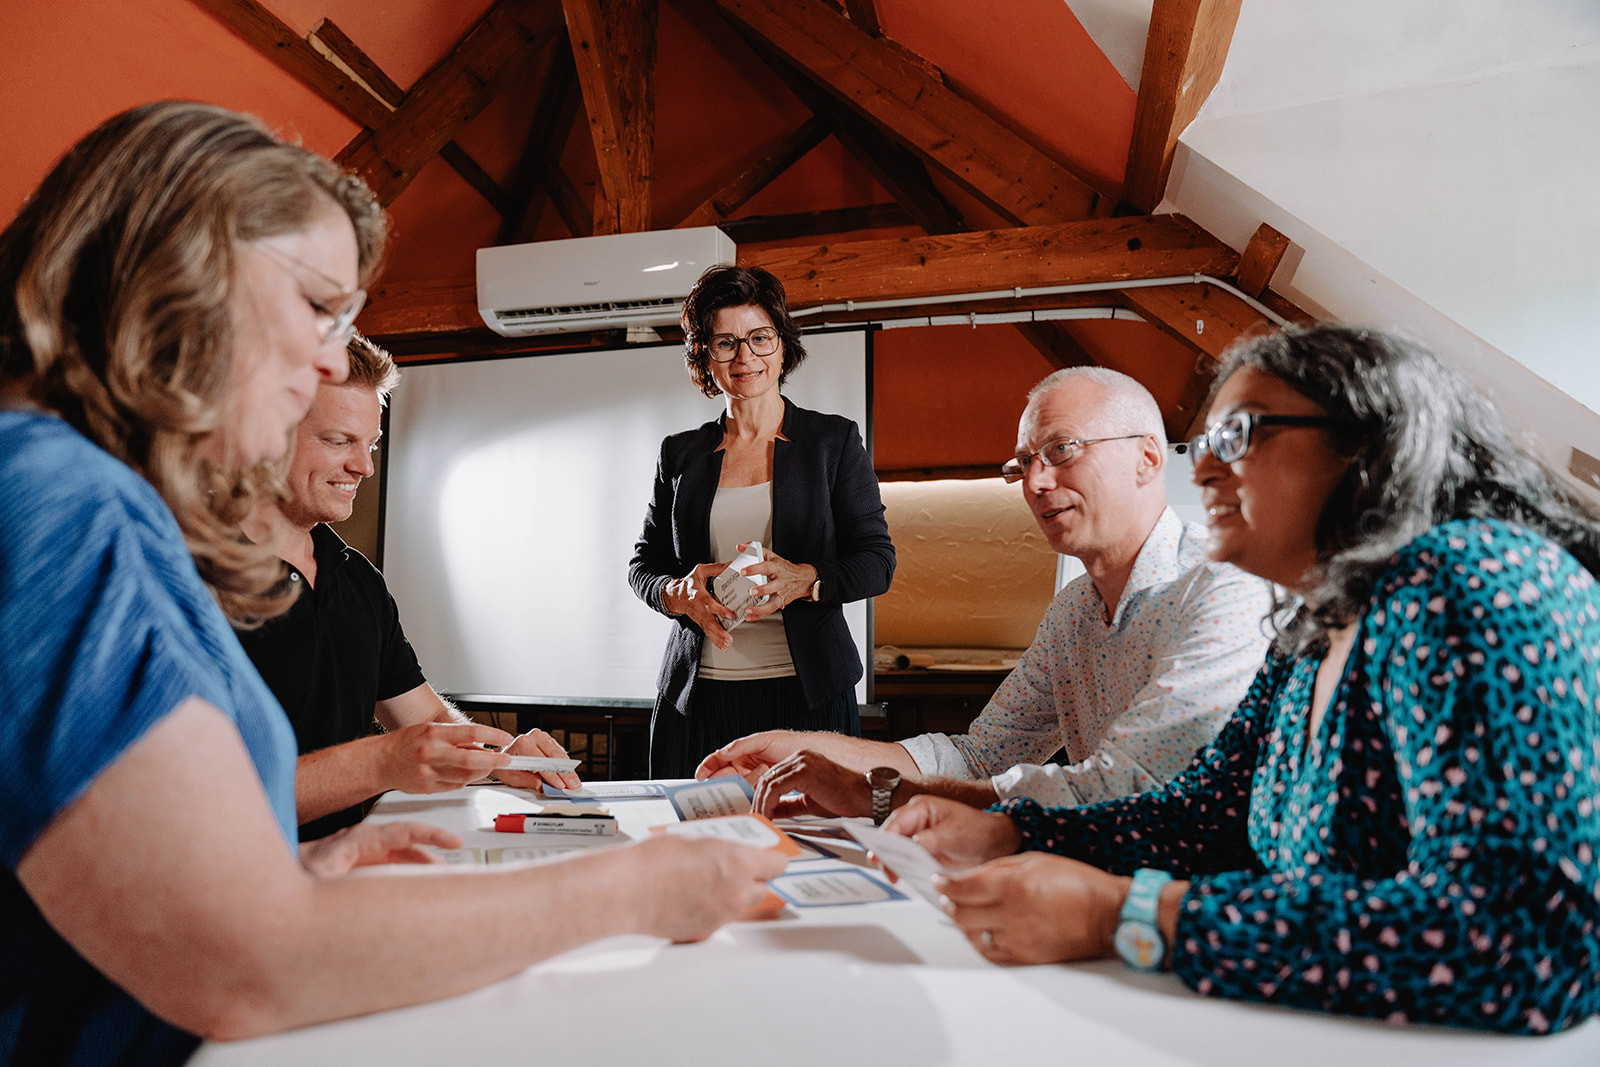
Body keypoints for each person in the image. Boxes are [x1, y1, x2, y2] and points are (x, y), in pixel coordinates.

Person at [0, 101, 784, 1065]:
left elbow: (110, 868)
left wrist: (296, 865)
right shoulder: (52, 499)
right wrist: (636, 891)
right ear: (184, 279)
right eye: (318, 310)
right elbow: (249, 967)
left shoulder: (93, 499)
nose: (331, 358)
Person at [884, 324, 1600, 1034]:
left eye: (1238, 437)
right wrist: (1011, 831)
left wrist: (1128, 915)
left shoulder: (1471, 580)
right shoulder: (1314, 626)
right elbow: (1204, 821)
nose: (1199, 470)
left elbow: (1530, 940)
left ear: (1363, 443)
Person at [698, 367, 1275, 818]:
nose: (1036, 482)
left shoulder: (1224, 589)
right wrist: (799, 749)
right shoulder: (1073, 611)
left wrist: (879, 796)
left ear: (1148, 457)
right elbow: (977, 758)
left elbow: (1123, 788)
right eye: (1024, 462)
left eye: (1063, 450)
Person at [236, 334, 578, 840]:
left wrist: (499, 757)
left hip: (355, 871)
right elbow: (195, 802)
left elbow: (425, 717)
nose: (364, 467)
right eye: (338, 441)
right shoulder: (192, 577)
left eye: (369, 445)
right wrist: (380, 762)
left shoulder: (357, 579)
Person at [628, 264, 896, 778]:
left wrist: (807, 580)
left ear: (782, 345)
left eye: (759, 337)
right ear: (704, 357)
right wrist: (673, 593)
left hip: (807, 696)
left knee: (811, 843)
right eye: (725, 342)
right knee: (694, 845)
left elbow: (877, 562)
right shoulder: (679, 454)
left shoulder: (832, 442)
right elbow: (643, 565)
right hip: (697, 697)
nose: (745, 356)